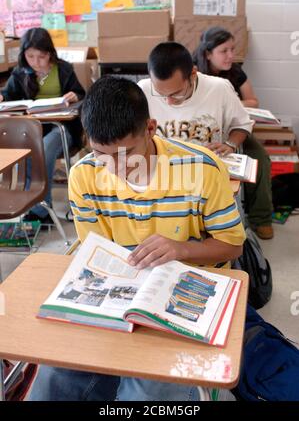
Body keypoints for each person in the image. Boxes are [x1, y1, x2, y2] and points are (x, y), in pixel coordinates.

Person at [28, 77, 245, 401]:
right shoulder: (84, 175)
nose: (116, 168)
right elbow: (95, 251)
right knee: (55, 375)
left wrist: (181, 248)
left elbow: (233, 245)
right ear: (89, 141)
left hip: (185, 293)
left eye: (127, 153)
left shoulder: (200, 167)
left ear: (151, 128)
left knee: (145, 389)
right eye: (103, 153)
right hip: (122, 293)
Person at [138, 41, 272, 240]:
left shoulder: (219, 89)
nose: (169, 101)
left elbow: (242, 124)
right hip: (162, 175)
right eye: (160, 93)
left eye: (176, 93)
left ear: (193, 74)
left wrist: (230, 144)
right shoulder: (142, 89)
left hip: (207, 173)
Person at [192, 27, 273, 239]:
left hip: (236, 127)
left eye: (232, 49)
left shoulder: (235, 71)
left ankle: (261, 218)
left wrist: (230, 103)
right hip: (204, 129)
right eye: (224, 50)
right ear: (208, 53)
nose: (230, 55)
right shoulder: (193, 71)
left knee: (260, 159)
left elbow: (253, 101)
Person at [0, 28, 85, 223]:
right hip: (32, 130)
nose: (36, 62)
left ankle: (40, 210)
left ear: (50, 53)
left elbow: (81, 94)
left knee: (44, 149)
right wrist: (2, 96)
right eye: (30, 56)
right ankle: (36, 204)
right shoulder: (21, 72)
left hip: (61, 129)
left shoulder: (64, 69)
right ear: (24, 55)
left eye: (41, 56)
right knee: (28, 149)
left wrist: (75, 95)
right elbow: (9, 95)